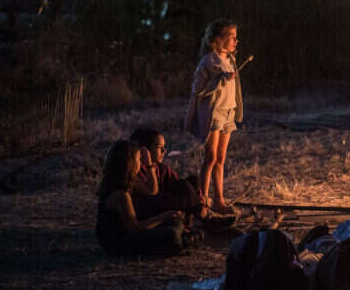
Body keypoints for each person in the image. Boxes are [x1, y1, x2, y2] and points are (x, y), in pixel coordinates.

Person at [184, 19, 249, 215]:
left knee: (220, 158)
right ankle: (203, 202)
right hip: (214, 113)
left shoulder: (230, 60)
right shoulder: (208, 61)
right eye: (232, 37)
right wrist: (218, 80)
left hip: (228, 112)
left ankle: (219, 200)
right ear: (219, 39)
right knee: (210, 157)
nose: (236, 41)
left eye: (236, 38)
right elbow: (198, 89)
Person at [95, 139, 186, 257]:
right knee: (170, 233)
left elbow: (152, 190)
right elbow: (135, 229)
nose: (141, 162)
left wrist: (149, 166)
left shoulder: (127, 179)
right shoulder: (121, 195)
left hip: (128, 235)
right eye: (138, 158)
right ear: (130, 162)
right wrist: (163, 217)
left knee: (174, 222)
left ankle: (178, 241)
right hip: (118, 243)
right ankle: (177, 242)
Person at [129, 127, 210, 227]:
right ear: (146, 150)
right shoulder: (138, 171)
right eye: (159, 147)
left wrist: (199, 198)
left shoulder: (161, 168)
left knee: (192, 181)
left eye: (164, 147)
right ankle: (203, 216)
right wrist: (199, 202)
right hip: (153, 209)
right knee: (183, 194)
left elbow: (180, 184)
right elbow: (153, 194)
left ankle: (196, 214)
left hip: (167, 202)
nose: (164, 151)